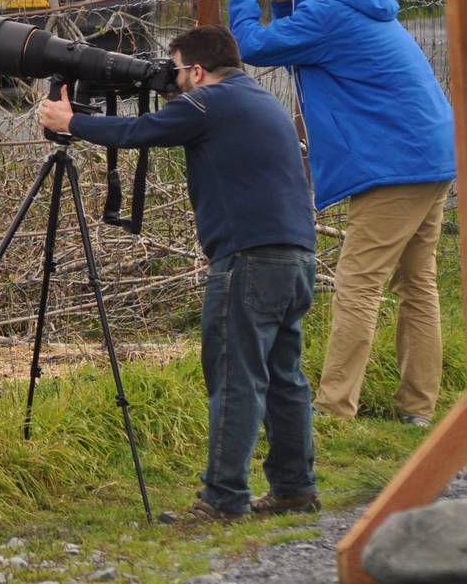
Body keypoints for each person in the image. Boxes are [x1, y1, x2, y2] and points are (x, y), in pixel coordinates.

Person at [37, 26, 318, 522]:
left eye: (175, 68)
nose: (170, 78)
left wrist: (70, 122)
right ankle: (295, 487)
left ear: (196, 70)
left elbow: (137, 132)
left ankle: (223, 499)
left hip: (246, 260)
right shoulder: (256, 100)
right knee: (282, 378)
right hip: (295, 258)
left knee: (235, 378)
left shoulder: (207, 104)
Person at [219, 0, 455, 427]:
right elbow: (292, 44)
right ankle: (416, 408)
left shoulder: (329, 12)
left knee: (358, 284)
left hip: (395, 163)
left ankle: (333, 409)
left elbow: (254, 46)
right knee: (417, 283)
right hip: (426, 151)